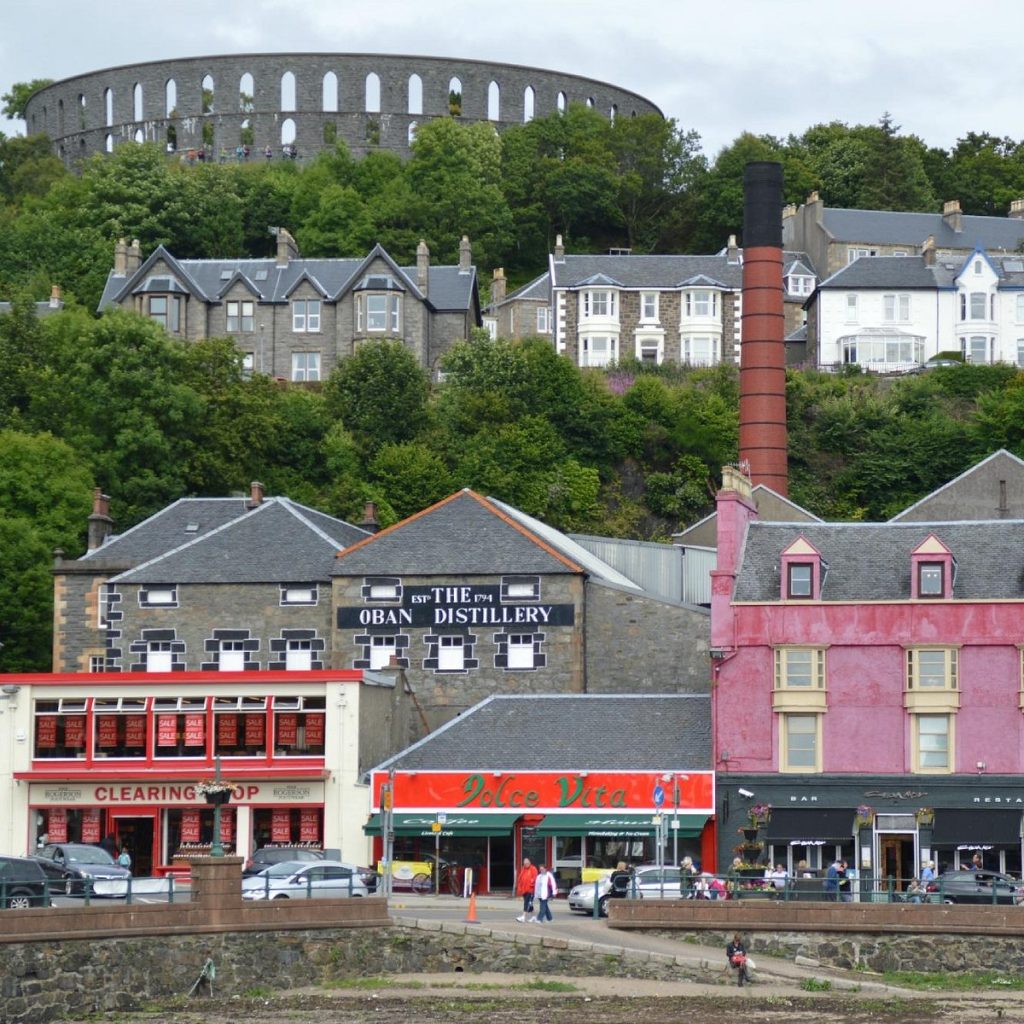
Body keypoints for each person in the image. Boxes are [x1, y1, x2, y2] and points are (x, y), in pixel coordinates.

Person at [515, 857, 538, 922]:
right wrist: (519, 887)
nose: (526, 864)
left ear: (529, 862)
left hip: (530, 890)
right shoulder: (523, 869)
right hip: (524, 889)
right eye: (525, 863)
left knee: (526, 903)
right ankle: (534, 917)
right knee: (530, 904)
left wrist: (532, 884)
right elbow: (520, 878)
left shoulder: (533, 869)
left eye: (527, 863)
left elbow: (535, 878)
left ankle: (523, 917)